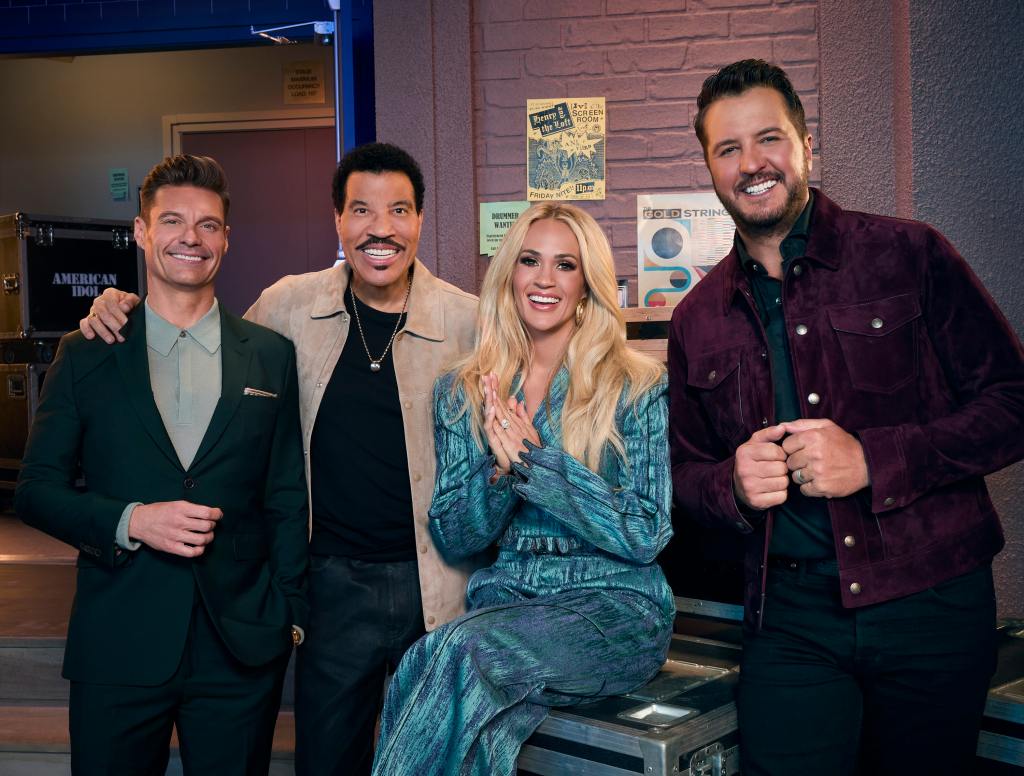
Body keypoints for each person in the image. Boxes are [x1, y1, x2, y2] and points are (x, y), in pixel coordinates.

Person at [668, 59, 1024, 776]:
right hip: (790, 619)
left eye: (768, 138)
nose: (751, 163)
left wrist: (874, 459)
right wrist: (730, 485)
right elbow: (684, 476)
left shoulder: (908, 253)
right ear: (710, 168)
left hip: (931, 600)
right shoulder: (696, 317)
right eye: (728, 148)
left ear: (805, 144)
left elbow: (1012, 403)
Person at [80, 142, 481, 776]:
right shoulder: (289, 306)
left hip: (440, 581)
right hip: (330, 586)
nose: (380, 228)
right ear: (338, 220)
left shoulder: (470, 322)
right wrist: (121, 305)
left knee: (437, 761)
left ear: (420, 221)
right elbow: (199, 343)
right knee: (327, 761)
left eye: (399, 210)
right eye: (362, 210)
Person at [16, 154, 309, 775]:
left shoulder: (270, 355)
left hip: (238, 645)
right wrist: (132, 520)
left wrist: (289, 613)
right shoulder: (87, 352)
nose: (190, 237)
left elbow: (285, 497)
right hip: (118, 637)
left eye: (208, 224)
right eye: (172, 221)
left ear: (226, 239)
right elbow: (35, 491)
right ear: (142, 232)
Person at [370, 202, 675, 775]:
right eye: (530, 261)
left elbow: (646, 532)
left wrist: (537, 465)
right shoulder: (463, 390)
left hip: (614, 609)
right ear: (509, 274)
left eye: (566, 265)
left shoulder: (635, 384)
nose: (544, 279)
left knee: (464, 653)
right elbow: (455, 535)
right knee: (426, 669)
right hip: (507, 604)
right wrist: (502, 474)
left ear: (586, 285)